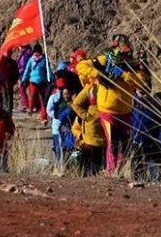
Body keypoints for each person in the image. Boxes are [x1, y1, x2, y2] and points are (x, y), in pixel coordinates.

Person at [75, 34, 148, 176]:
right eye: (118, 47)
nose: (121, 51)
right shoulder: (104, 60)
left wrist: (124, 75)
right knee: (113, 142)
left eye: (124, 48)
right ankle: (110, 173)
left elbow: (142, 84)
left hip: (126, 111)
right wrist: (100, 74)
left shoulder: (132, 64)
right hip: (107, 111)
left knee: (126, 145)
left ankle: (117, 171)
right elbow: (81, 66)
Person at [131, 91, 161, 183]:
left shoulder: (139, 110)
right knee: (155, 170)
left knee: (139, 169)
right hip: (156, 146)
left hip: (138, 143)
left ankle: (138, 183)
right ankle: (154, 184)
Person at [70, 83, 106, 176]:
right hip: (90, 135)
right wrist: (89, 117)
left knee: (102, 161)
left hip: (105, 132)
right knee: (90, 159)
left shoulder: (109, 86)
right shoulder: (91, 87)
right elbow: (76, 105)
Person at [46, 78, 75, 164]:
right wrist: (56, 116)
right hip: (57, 126)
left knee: (68, 147)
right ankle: (60, 165)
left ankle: (68, 164)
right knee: (59, 146)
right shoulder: (54, 98)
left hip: (68, 128)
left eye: (68, 94)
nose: (66, 95)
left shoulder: (72, 102)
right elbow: (49, 110)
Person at [20, 44, 51, 122]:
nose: (36, 53)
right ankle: (30, 109)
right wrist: (24, 79)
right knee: (32, 96)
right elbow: (27, 70)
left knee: (42, 99)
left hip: (42, 81)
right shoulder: (31, 59)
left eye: (38, 52)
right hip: (33, 81)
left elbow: (48, 70)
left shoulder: (44, 59)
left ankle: (44, 117)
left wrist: (51, 78)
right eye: (35, 52)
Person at [0, 49, 20, 114]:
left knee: (10, 96)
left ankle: (9, 111)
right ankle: (4, 110)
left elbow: (16, 73)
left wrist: (14, 81)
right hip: (2, 82)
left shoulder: (13, 62)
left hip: (10, 82)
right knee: (4, 96)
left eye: (10, 53)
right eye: (7, 52)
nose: (8, 54)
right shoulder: (0, 62)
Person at [17, 44, 33, 111]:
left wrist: (19, 70)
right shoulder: (29, 53)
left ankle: (25, 105)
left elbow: (24, 65)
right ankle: (30, 105)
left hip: (24, 75)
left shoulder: (25, 55)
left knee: (22, 89)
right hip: (29, 74)